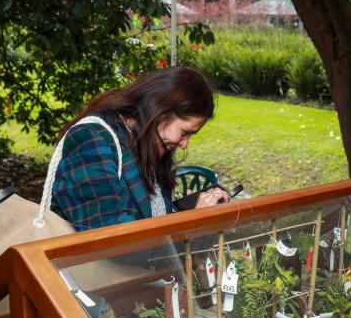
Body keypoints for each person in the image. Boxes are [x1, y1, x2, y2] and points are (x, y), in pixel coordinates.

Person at [52, 66, 229, 231]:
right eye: (185, 132)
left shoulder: (146, 143)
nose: (184, 143)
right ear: (160, 112)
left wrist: (188, 211)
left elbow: (150, 219)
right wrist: (192, 223)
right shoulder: (91, 138)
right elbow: (112, 236)